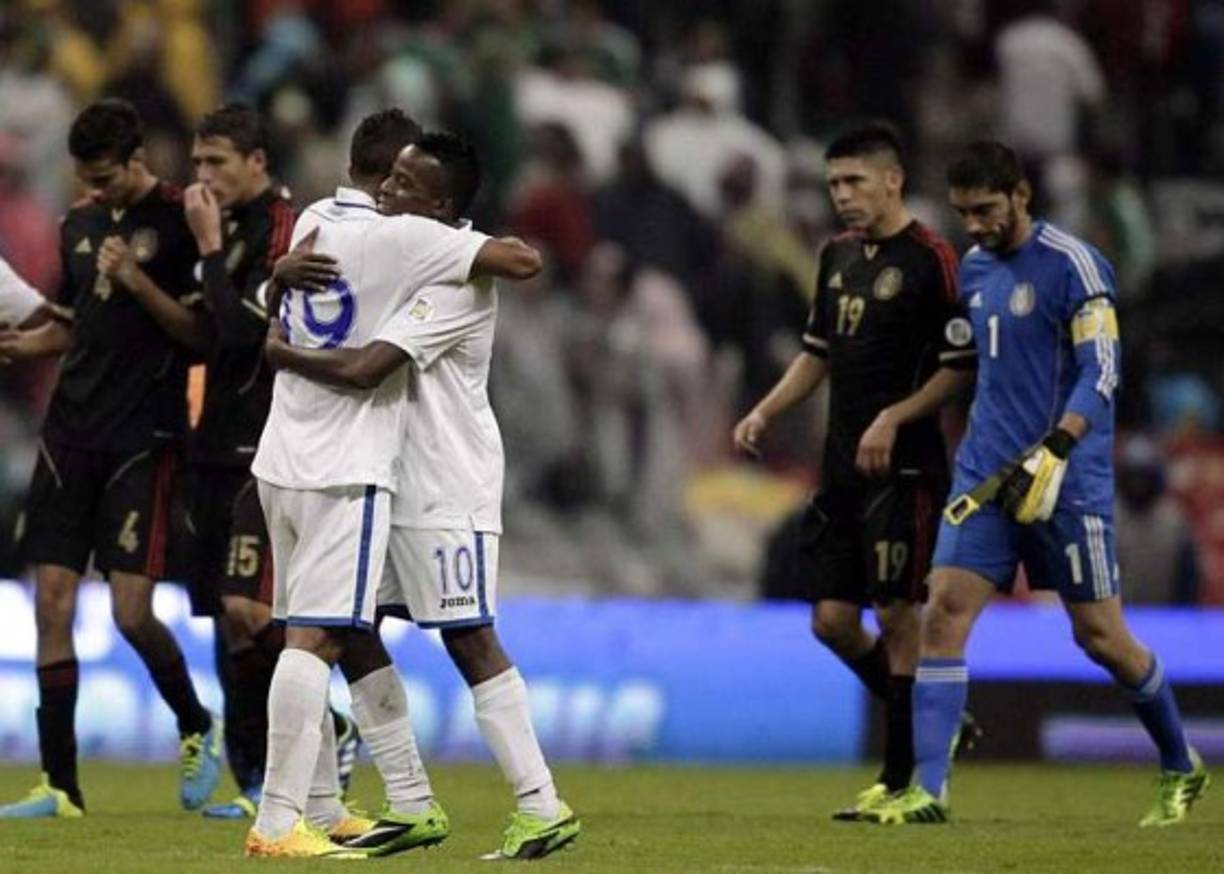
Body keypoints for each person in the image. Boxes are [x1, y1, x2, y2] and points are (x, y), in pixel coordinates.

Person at [864, 141, 1209, 827]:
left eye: (986, 210)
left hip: (1064, 480)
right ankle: (928, 791)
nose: (976, 225)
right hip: (987, 477)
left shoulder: (1075, 265)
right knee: (944, 613)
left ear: (1021, 195)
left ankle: (1180, 762)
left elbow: (1102, 371)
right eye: (964, 213)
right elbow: (973, 366)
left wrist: (1060, 443)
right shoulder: (977, 269)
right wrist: (902, 412)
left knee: (1101, 637)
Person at [262, 132, 582, 861]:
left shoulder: (456, 279)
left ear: (440, 206)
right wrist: (278, 272)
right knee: (347, 628)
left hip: (443, 487)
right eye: (390, 175)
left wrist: (281, 355)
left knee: (468, 637)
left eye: (405, 184)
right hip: (379, 475)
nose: (387, 189)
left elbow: (371, 364)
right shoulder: (397, 247)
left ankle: (542, 804)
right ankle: (409, 801)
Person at [731, 123, 977, 820]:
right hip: (840, 464)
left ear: (892, 180)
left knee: (898, 613)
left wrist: (895, 416)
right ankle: (939, 721)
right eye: (834, 183)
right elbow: (818, 352)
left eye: (855, 182)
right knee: (833, 621)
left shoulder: (932, 257)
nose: (842, 196)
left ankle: (901, 780)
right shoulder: (836, 256)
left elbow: (960, 368)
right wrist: (765, 410)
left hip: (906, 465)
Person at [0, 99, 221, 818]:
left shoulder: (180, 220)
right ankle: (60, 787)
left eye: (106, 177)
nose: (97, 190)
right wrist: (23, 345)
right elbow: (73, 326)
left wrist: (139, 282)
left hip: (143, 439)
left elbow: (199, 333)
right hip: (70, 432)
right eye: (87, 179)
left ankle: (195, 724)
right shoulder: (79, 223)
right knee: (52, 604)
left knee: (130, 613)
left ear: (136, 159)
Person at [177, 102, 361, 819]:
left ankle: (329, 730)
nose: (203, 176)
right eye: (196, 163)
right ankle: (253, 781)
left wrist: (206, 246)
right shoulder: (222, 230)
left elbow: (237, 337)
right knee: (230, 620)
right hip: (211, 444)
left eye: (216, 162)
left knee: (252, 610)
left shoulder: (286, 232)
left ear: (257, 162)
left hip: (269, 447)